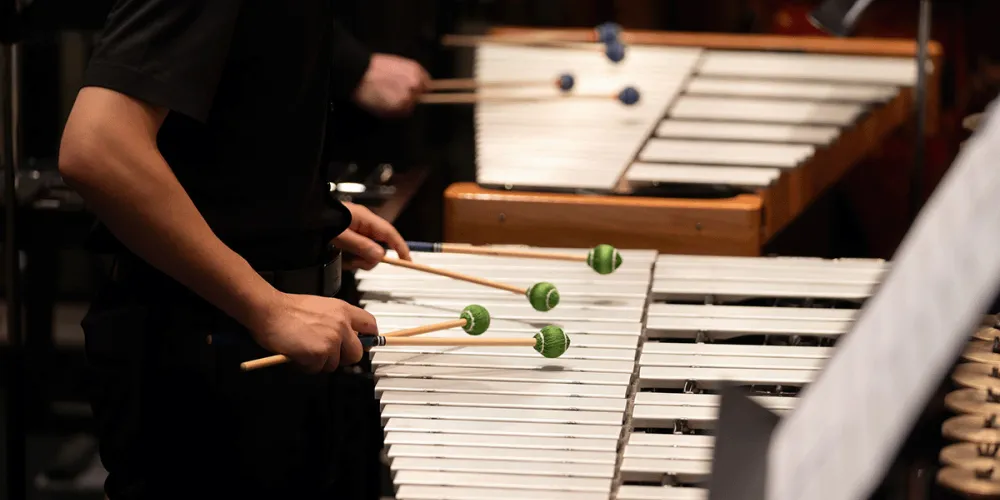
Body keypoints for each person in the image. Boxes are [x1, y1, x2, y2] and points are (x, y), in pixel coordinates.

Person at [57, 1, 429, 499]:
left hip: (241, 347)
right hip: (204, 357)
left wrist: (298, 212)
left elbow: (214, 127)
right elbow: (98, 147)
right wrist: (267, 303)